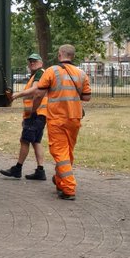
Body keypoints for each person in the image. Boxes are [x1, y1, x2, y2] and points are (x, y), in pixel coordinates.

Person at [30, 44, 91, 200]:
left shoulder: (51, 71)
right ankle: (59, 180)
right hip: (75, 118)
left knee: (60, 152)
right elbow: (86, 97)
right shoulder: (81, 73)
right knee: (67, 151)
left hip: (57, 118)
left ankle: (69, 188)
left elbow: (38, 94)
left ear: (59, 55)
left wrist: (34, 110)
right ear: (72, 56)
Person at [0, 52, 48, 179]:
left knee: (25, 140)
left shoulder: (39, 73)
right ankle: (40, 171)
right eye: (30, 61)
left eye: (35, 61)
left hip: (35, 114)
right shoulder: (37, 74)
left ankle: (17, 168)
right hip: (40, 115)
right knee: (36, 141)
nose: (32, 63)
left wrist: (17, 95)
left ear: (41, 63)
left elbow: (35, 90)